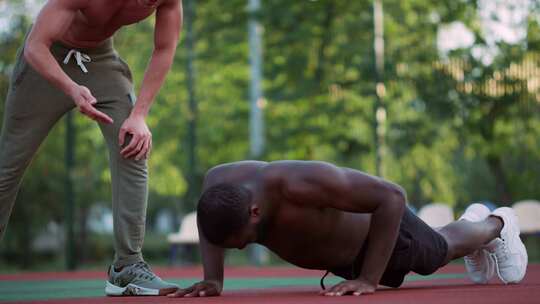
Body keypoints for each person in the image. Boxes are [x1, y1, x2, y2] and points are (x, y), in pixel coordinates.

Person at [0, 0, 183, 296]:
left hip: (99, 60)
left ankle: (127, 267)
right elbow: (36, 45)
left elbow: (165, 49)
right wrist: (71, 88)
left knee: (133, 142)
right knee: (8, 165)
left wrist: (139, 116)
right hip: (46, 60)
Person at [170, 160, 528, 298]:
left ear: (254, 212)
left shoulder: (300, 182)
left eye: (244, 242)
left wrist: (370, 279)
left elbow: (392, 196)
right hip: (343, 260)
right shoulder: (217, 185)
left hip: (380, 233)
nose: (243, 249)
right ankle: (476, 222)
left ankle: (495, 224)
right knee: (437, 249)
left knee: (437, 252)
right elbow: (209, 224)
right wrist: (213, 279)